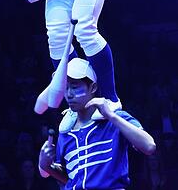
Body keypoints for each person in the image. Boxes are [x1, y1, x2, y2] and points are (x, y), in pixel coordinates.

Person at [38, 59, 156, 189]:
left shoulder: (115, 120)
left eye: (75, 87)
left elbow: (149, 146)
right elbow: (70, 179)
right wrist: (46, 166)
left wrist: (111, 116)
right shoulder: (65, 132)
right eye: (65, 88)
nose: (69, 94)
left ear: (93, 87)